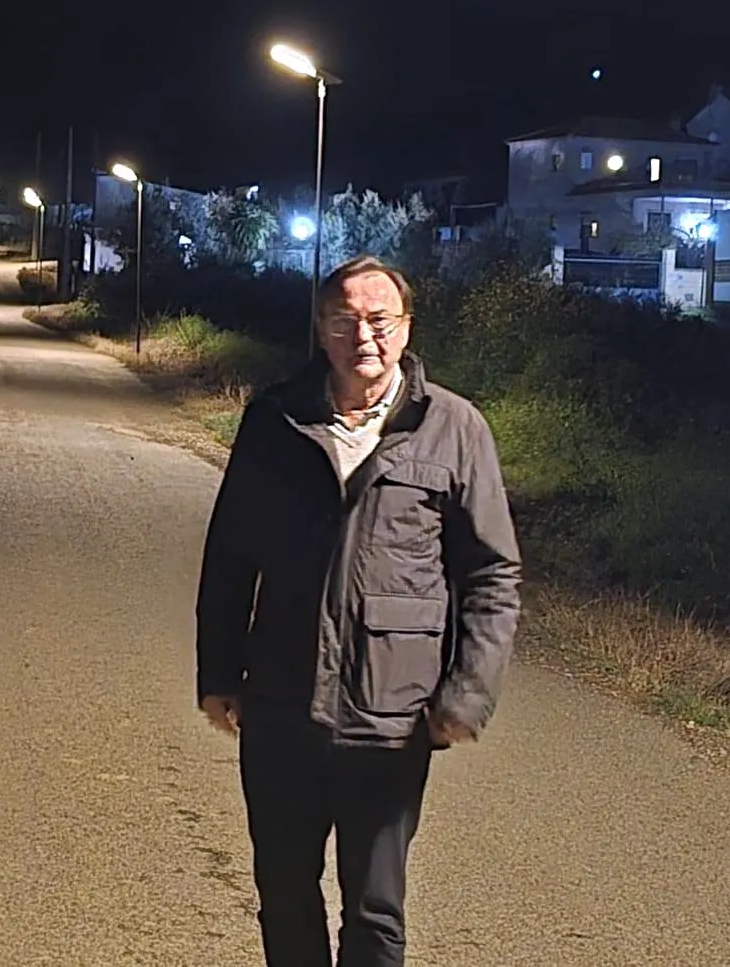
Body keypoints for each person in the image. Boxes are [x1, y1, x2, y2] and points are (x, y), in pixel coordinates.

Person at [194, 255, 522, 967]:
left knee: (375, 912)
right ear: (321, 328)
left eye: (379, 320)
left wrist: (466, 694)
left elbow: (492, 574)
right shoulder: (273, 421)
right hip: (279, 708)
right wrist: (219, 672)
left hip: (391, 720)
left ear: (406, 329)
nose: (363, 337)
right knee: (284, 895)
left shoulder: (455, 428)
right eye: (345, 321)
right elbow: (229, 559)